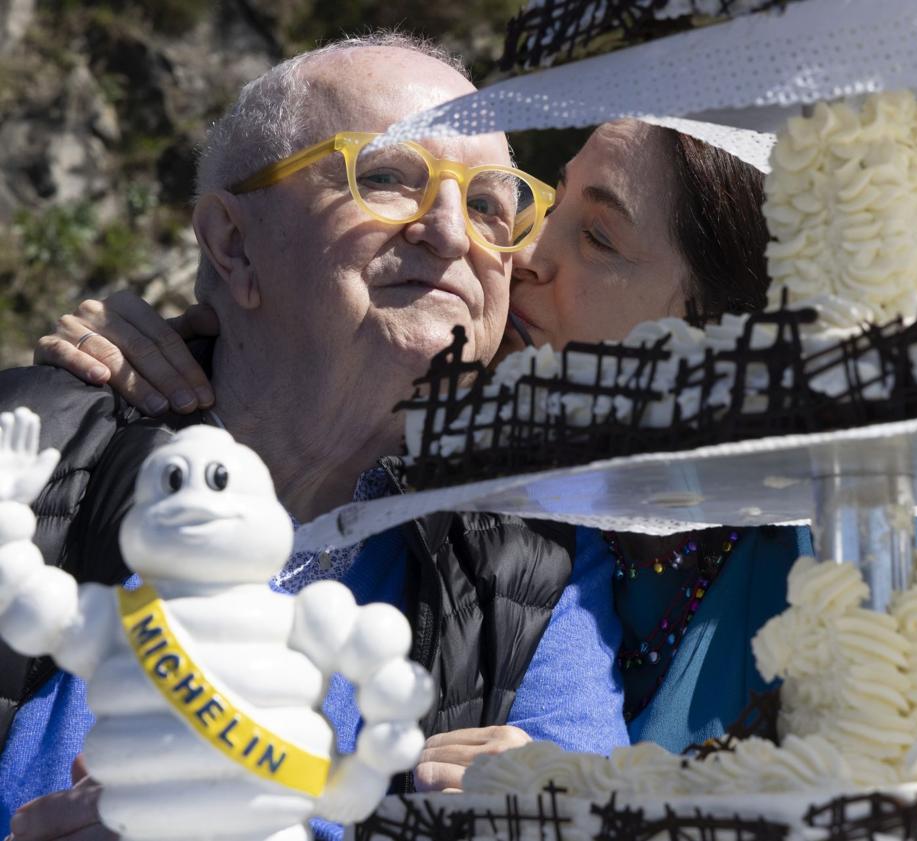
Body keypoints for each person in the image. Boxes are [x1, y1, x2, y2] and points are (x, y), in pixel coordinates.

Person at [43, 120, 917, 756]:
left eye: (599, 239)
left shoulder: (857, 545)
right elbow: (313, 352)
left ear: (720, 328)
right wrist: (180, 337)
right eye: (550, 204)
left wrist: (589, 809)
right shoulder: (511, 438)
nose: (526, 258)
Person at [0, 33, 626, 841]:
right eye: (388, 178)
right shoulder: (32, 457)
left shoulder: (531, 549)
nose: (449, 232)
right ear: (232, 244)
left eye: (487, 205)